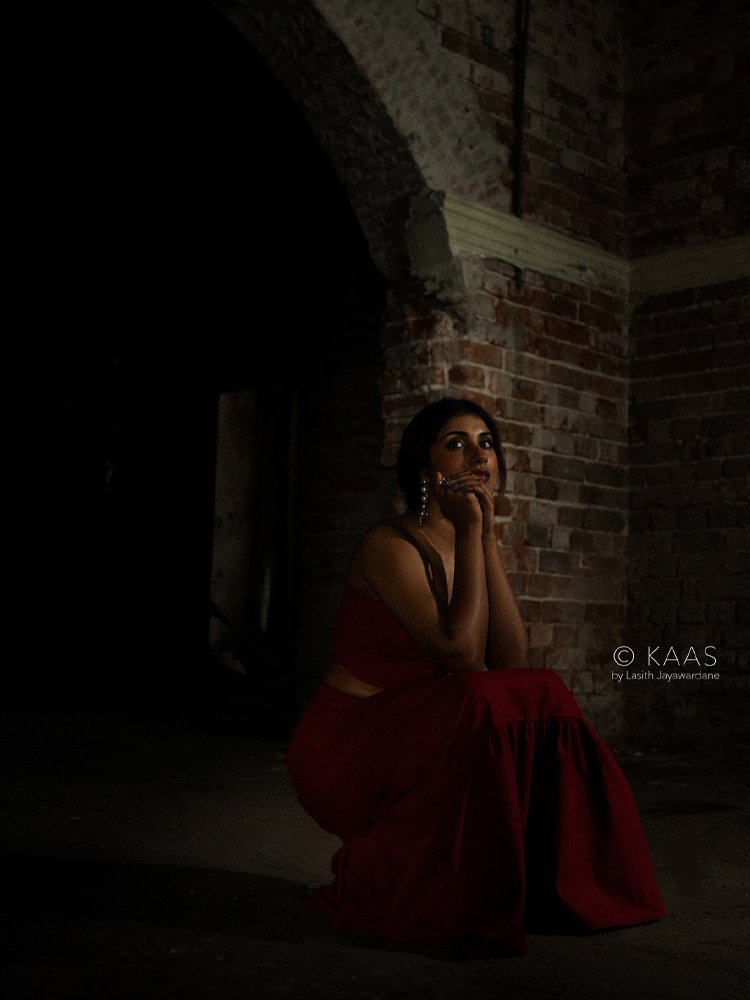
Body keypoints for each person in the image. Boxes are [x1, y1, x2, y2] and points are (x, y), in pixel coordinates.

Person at [287, 396, 665, 955]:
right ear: (426, 471)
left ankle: (564, 889)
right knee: (475, 696)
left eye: (486, 444)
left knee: (543, 690)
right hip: (347, 742)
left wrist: (484, 539)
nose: (478, 455)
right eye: (456, 444)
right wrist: (470, 534)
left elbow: (510, 663)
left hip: (427, 727)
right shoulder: (389, 544)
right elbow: (463, 659)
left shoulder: (472, 539)